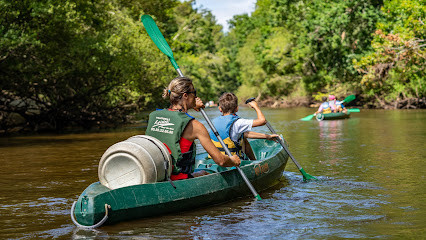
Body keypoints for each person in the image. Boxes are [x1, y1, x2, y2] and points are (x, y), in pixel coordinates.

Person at [145, 77, 240, 181]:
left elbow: (177, 119)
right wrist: (233, 160)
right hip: (178, 180)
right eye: (194, 93)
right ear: (185, 95)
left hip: (157, 176)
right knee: (204, 173)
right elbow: (220, 161)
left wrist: (191, 105)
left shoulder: (154, 116)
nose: (196, 97)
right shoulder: (195, 126)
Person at [208, 92, 280, 160]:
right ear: (237, 108)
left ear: (220, 109)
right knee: (242, 140)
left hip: (216, 159)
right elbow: (262, 121)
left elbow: (243, 134)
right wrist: (256, 107)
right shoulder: (238, 122)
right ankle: (254, 162)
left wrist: (268, 136)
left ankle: (254, 161)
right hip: (231, 161)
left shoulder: (213, 121)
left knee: (242, 138)